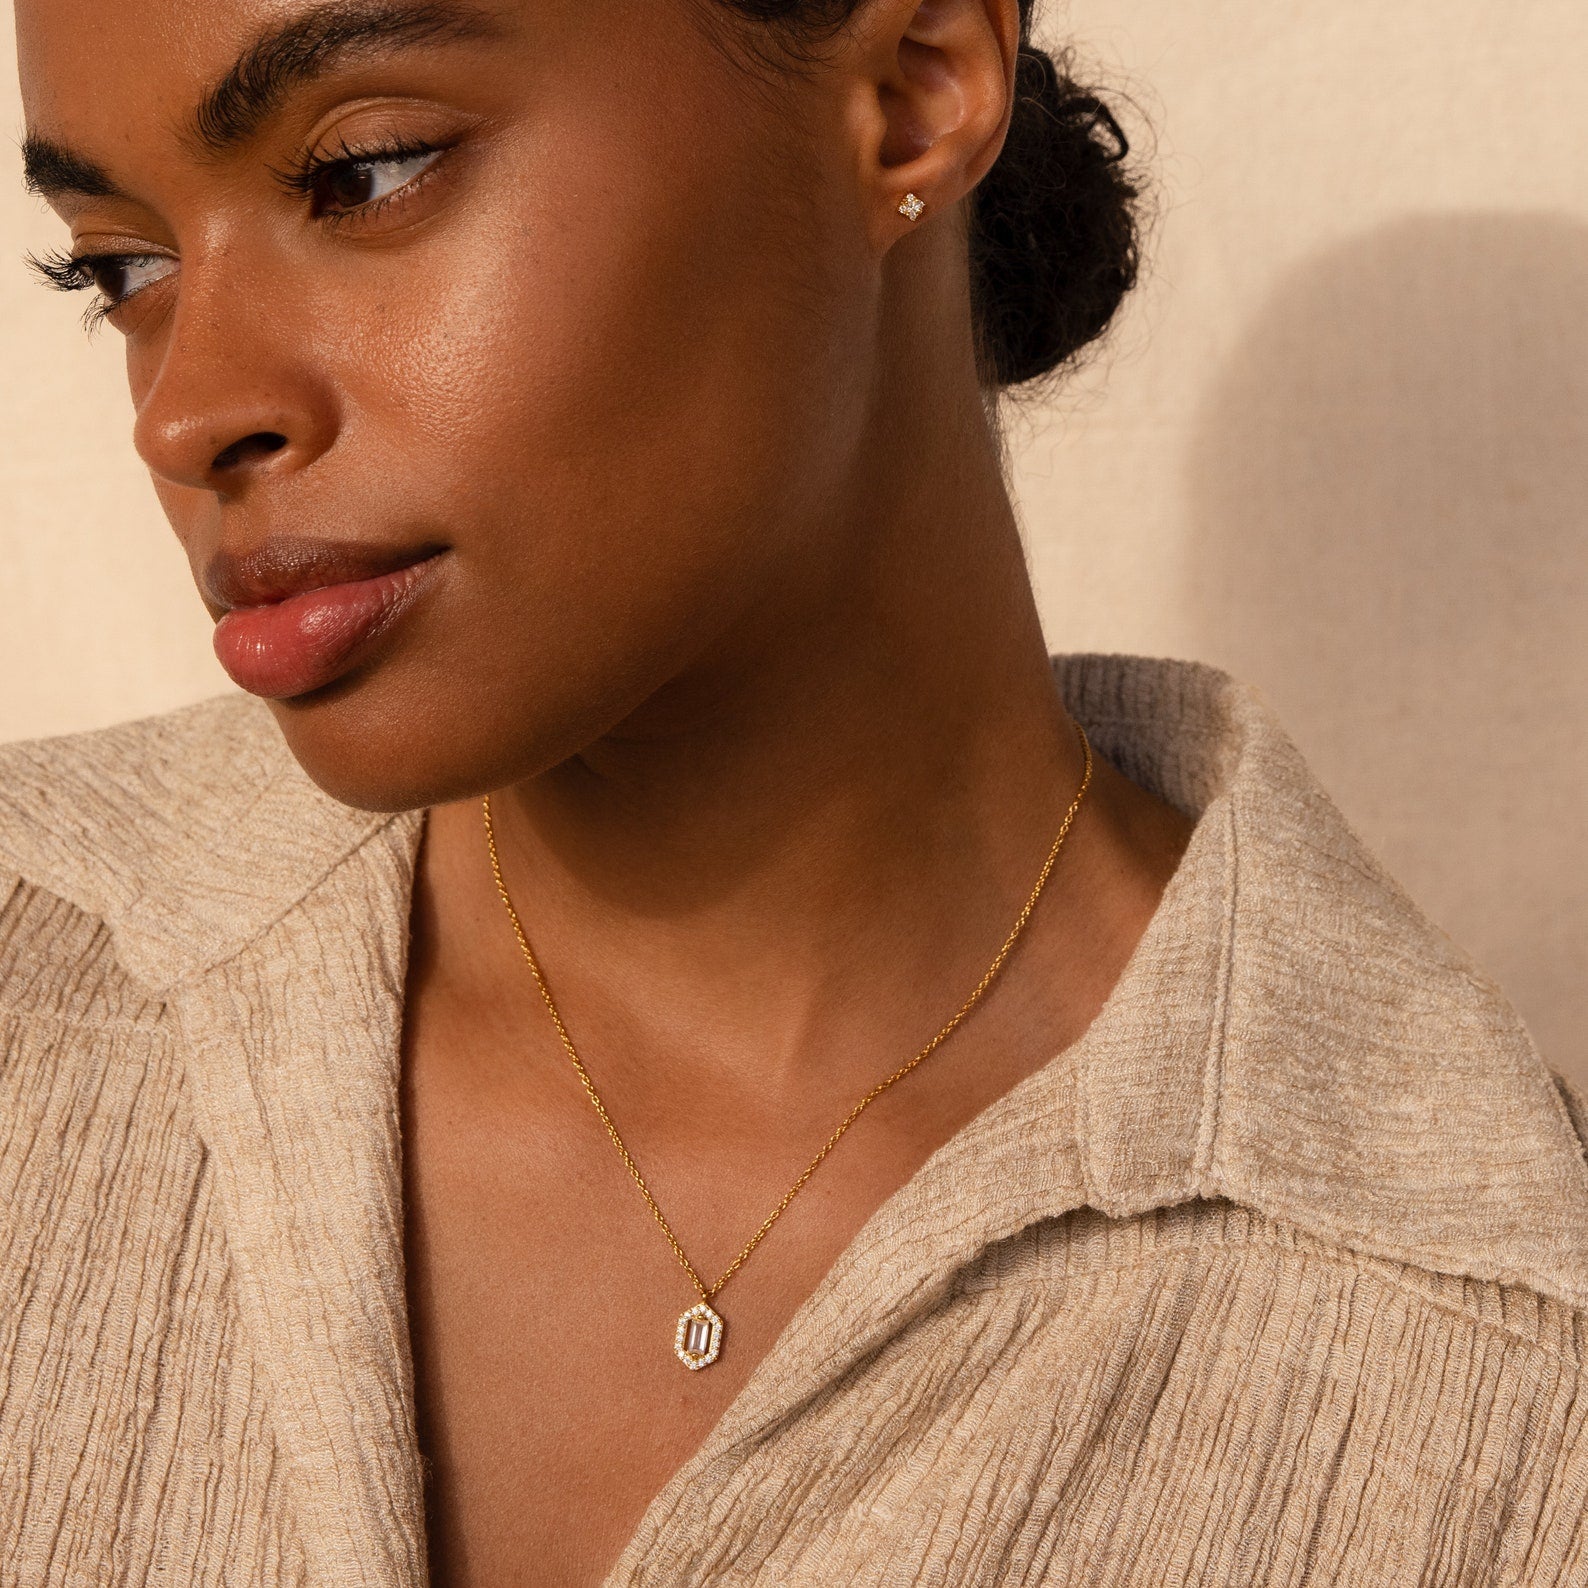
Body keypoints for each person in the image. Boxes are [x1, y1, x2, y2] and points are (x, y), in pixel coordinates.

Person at [3, 0, 1585, 1582]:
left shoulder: (1505, 1378)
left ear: (910, 95)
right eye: (120, 271)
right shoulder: (34, 973)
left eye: (367, 170)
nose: (186, 409)